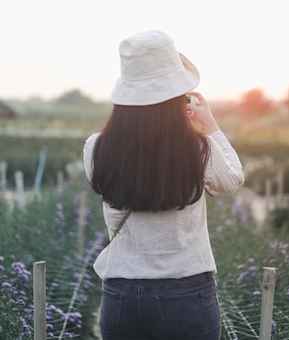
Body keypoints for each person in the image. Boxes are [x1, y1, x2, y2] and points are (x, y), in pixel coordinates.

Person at [83, 30, 244, 340]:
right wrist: (210, 126)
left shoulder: (95, 149)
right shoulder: (198, 149)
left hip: (122, 296)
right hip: (185, 293)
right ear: (176, 97)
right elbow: (232, 178)